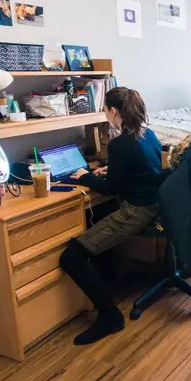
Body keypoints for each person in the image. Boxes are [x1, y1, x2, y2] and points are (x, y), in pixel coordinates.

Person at [59, 87, 163, 345]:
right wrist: (111, 170)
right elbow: (142, 170)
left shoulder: (119, 144)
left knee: (71, 256)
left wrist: (86, 177)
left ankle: (110, 316)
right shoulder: (147, 135)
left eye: (105, 110)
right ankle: (106, 279)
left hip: (137, 212)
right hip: (154, 204)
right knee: (100, 212)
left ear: (114, 111)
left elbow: (111, 189)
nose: (105, 114)